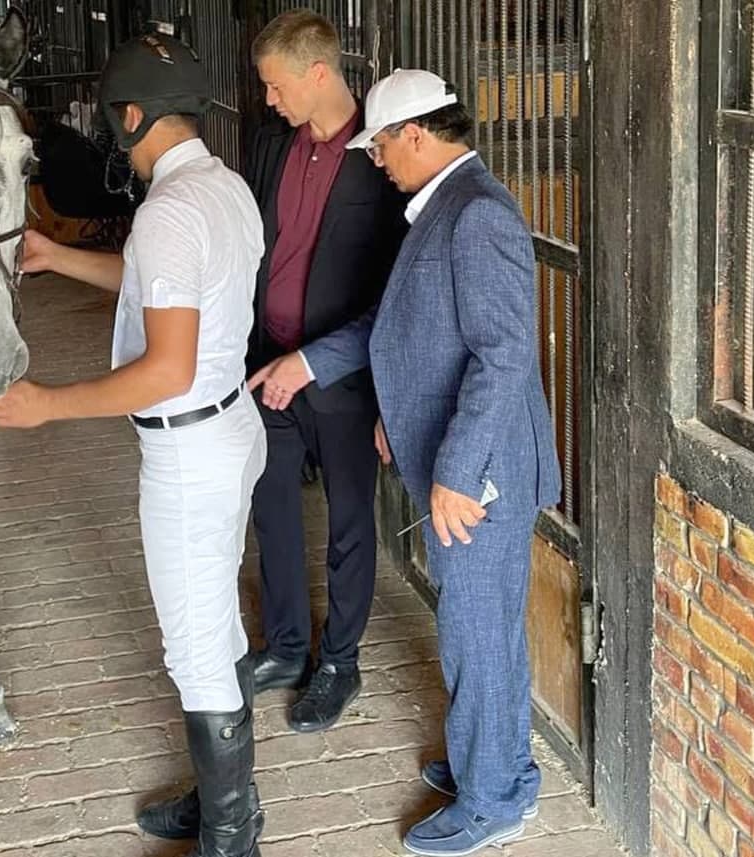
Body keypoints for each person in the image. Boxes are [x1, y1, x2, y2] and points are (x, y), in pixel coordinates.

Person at [251, 69, 562, 856]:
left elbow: (501, 356)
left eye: (381, 145)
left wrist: (456, 471)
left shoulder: (476, 214)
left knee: (475, 633)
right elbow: (402, 327)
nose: (376, 160)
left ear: (415, 135)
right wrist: (333, 376)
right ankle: (498, 763)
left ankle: (492, 801)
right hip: (465, 462)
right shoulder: (440, 206)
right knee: (483, 627)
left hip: (481, 476)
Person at [0, 34, 267, 857]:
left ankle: (231, 838)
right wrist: (57, 256)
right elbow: (162, 289)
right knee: (216, 626)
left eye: (114, 120)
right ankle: (225, 800)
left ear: (133, 115)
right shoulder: (223, 188)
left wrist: (48, 404)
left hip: (188, 451)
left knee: (195, 646)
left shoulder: (168, 213)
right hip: (230, 428)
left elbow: (166, 367)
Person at [240, 9, 411, 732]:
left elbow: (398, 288)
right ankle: (285, 647)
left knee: (348, 521)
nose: (269, 99)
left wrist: (360, 381)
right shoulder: (270, 142)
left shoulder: (384, 154)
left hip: (344, 376)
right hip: (265, 360)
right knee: (272, 506)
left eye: (277, 85)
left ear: (318, 73)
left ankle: (339, 660)